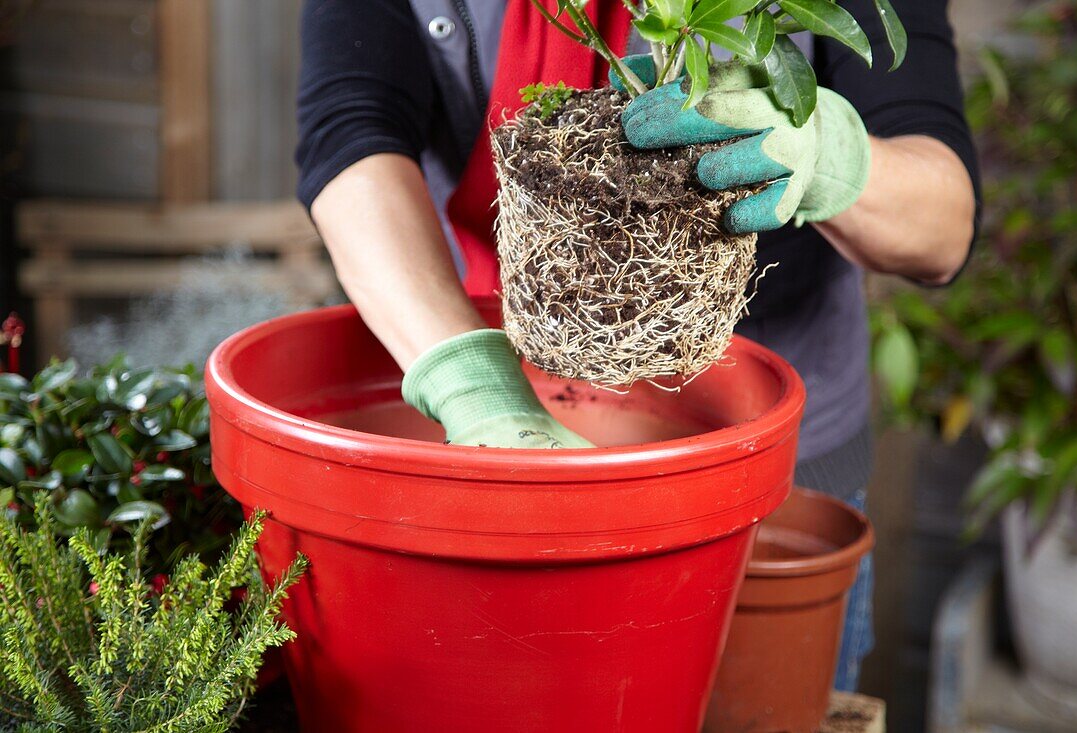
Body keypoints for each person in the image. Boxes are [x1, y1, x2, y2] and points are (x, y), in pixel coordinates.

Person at [296, 0, 979, 691]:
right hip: (501, 440)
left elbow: (943, 224)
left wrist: (831, 154)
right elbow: (350, 130)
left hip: (762, 478)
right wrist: (468, 379)